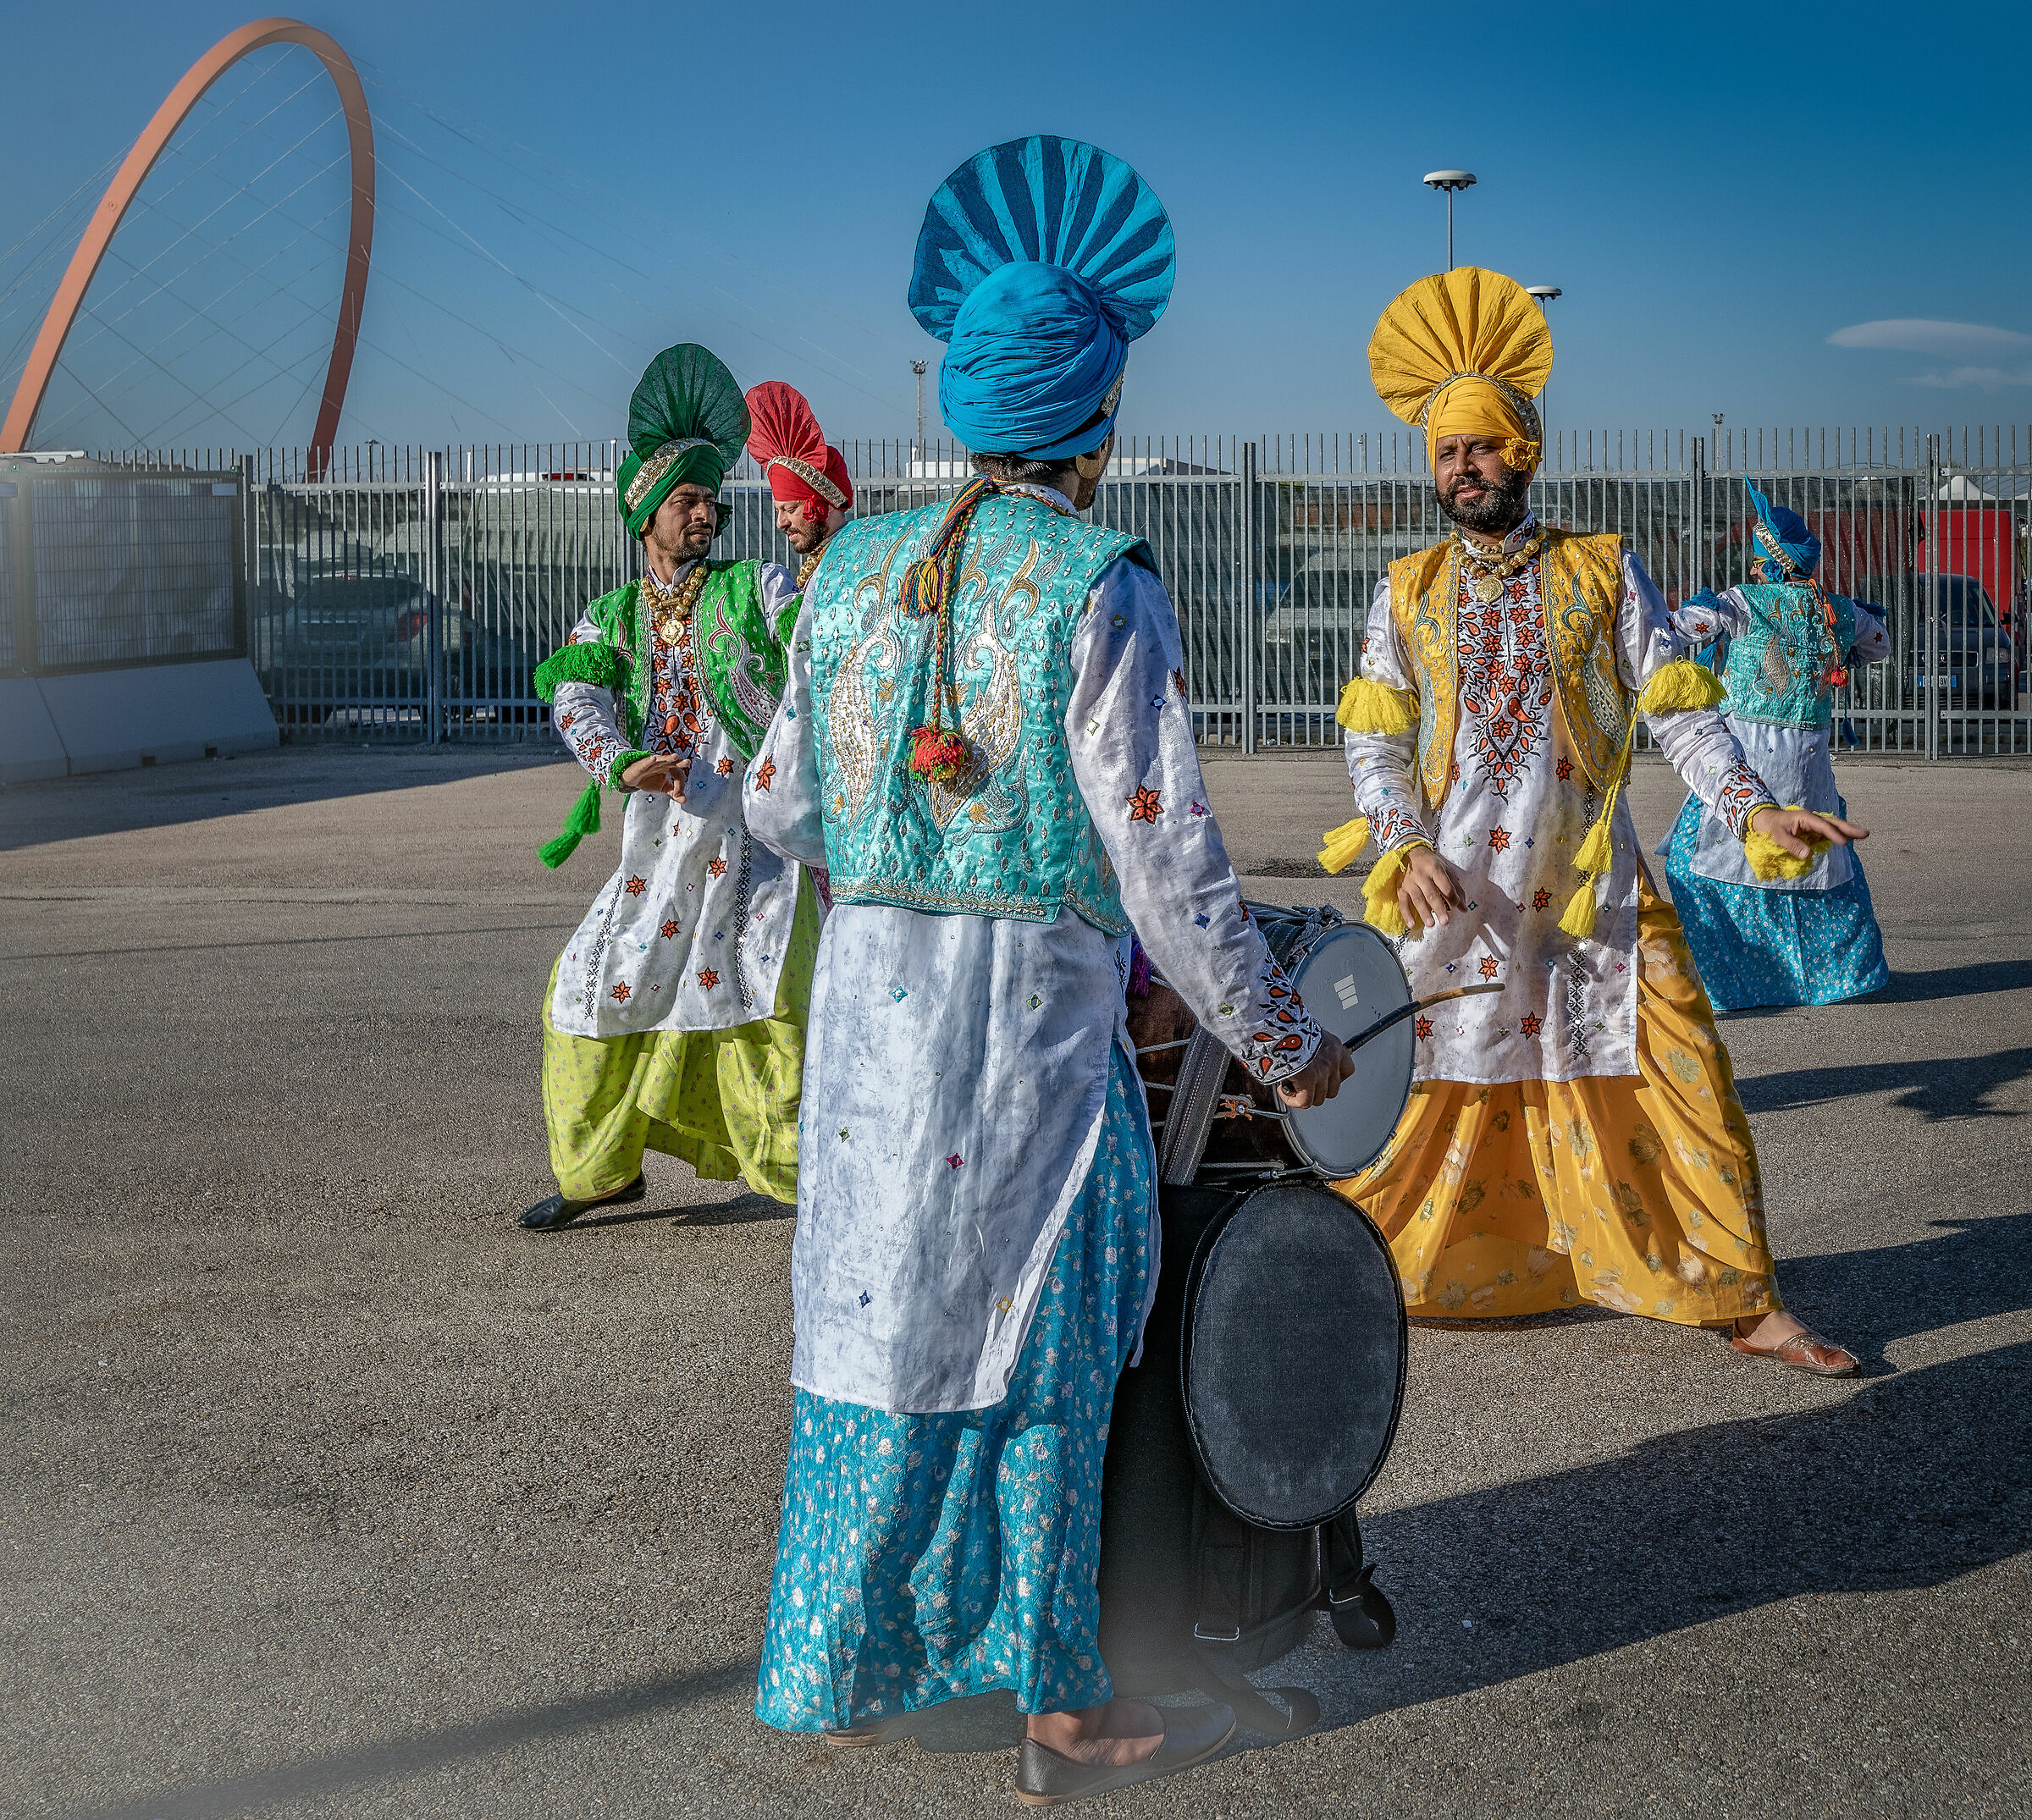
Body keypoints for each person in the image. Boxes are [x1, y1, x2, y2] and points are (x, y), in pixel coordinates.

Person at [742, 135, 1351, 1805]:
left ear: (957, 404)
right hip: (1021, 1060)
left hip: (868, 1052)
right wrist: (1284, 1038)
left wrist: (901, 851)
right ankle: (1071, 1714)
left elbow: (777, 801)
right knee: (1045, 1346)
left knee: (878, 1335)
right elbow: (1167, 858)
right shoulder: (1099, 585)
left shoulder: (844, 569)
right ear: (1094, 421)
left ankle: (853, 1662)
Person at [1321, 266, 1859, 1376]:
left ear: (1522, 450)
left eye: (1480, 445)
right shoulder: (1406, 588)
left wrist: (1754, 807)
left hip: (1590, 890)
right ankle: (1354, 1279)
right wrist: (1404, 842)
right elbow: (1375, 740)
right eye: (1445, 451)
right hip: (1456, 892)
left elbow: (1682, 718)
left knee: (1682, 1071)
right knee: (1411, 1090)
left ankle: (1739, 1296)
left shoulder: (1604, 570)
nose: (1463, 468)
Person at [519, 344, 818, 1229]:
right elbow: (572, 690)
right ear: (643, 514)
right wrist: (619, 761)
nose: (706, 513)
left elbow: (811, 636)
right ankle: (598, 1170)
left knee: (764, 1004)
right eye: (686, 500)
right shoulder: (612, 616)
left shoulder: (750, 587)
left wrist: (821, 557)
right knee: (583, 990)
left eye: (710, 499)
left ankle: (813, 1179)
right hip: (657, 847)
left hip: (754, 841)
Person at [1659, 485, 1891, 1007]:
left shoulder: (1742, 601)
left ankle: (1728, 983)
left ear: (1767, 563)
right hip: (1808, 760)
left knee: (1693, 861)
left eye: (1760, 561)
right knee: (1814, 862)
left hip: (1746, 756)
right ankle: (1830, 979)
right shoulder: (1836, 610)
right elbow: (1879, 643)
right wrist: (1838, 655)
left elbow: (1679, 629)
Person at [745, 379, 853, 587]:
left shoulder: (851, 561)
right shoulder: (824, 560)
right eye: (778, 511)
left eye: (791, 508)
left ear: (823, 504)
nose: (781, 522)